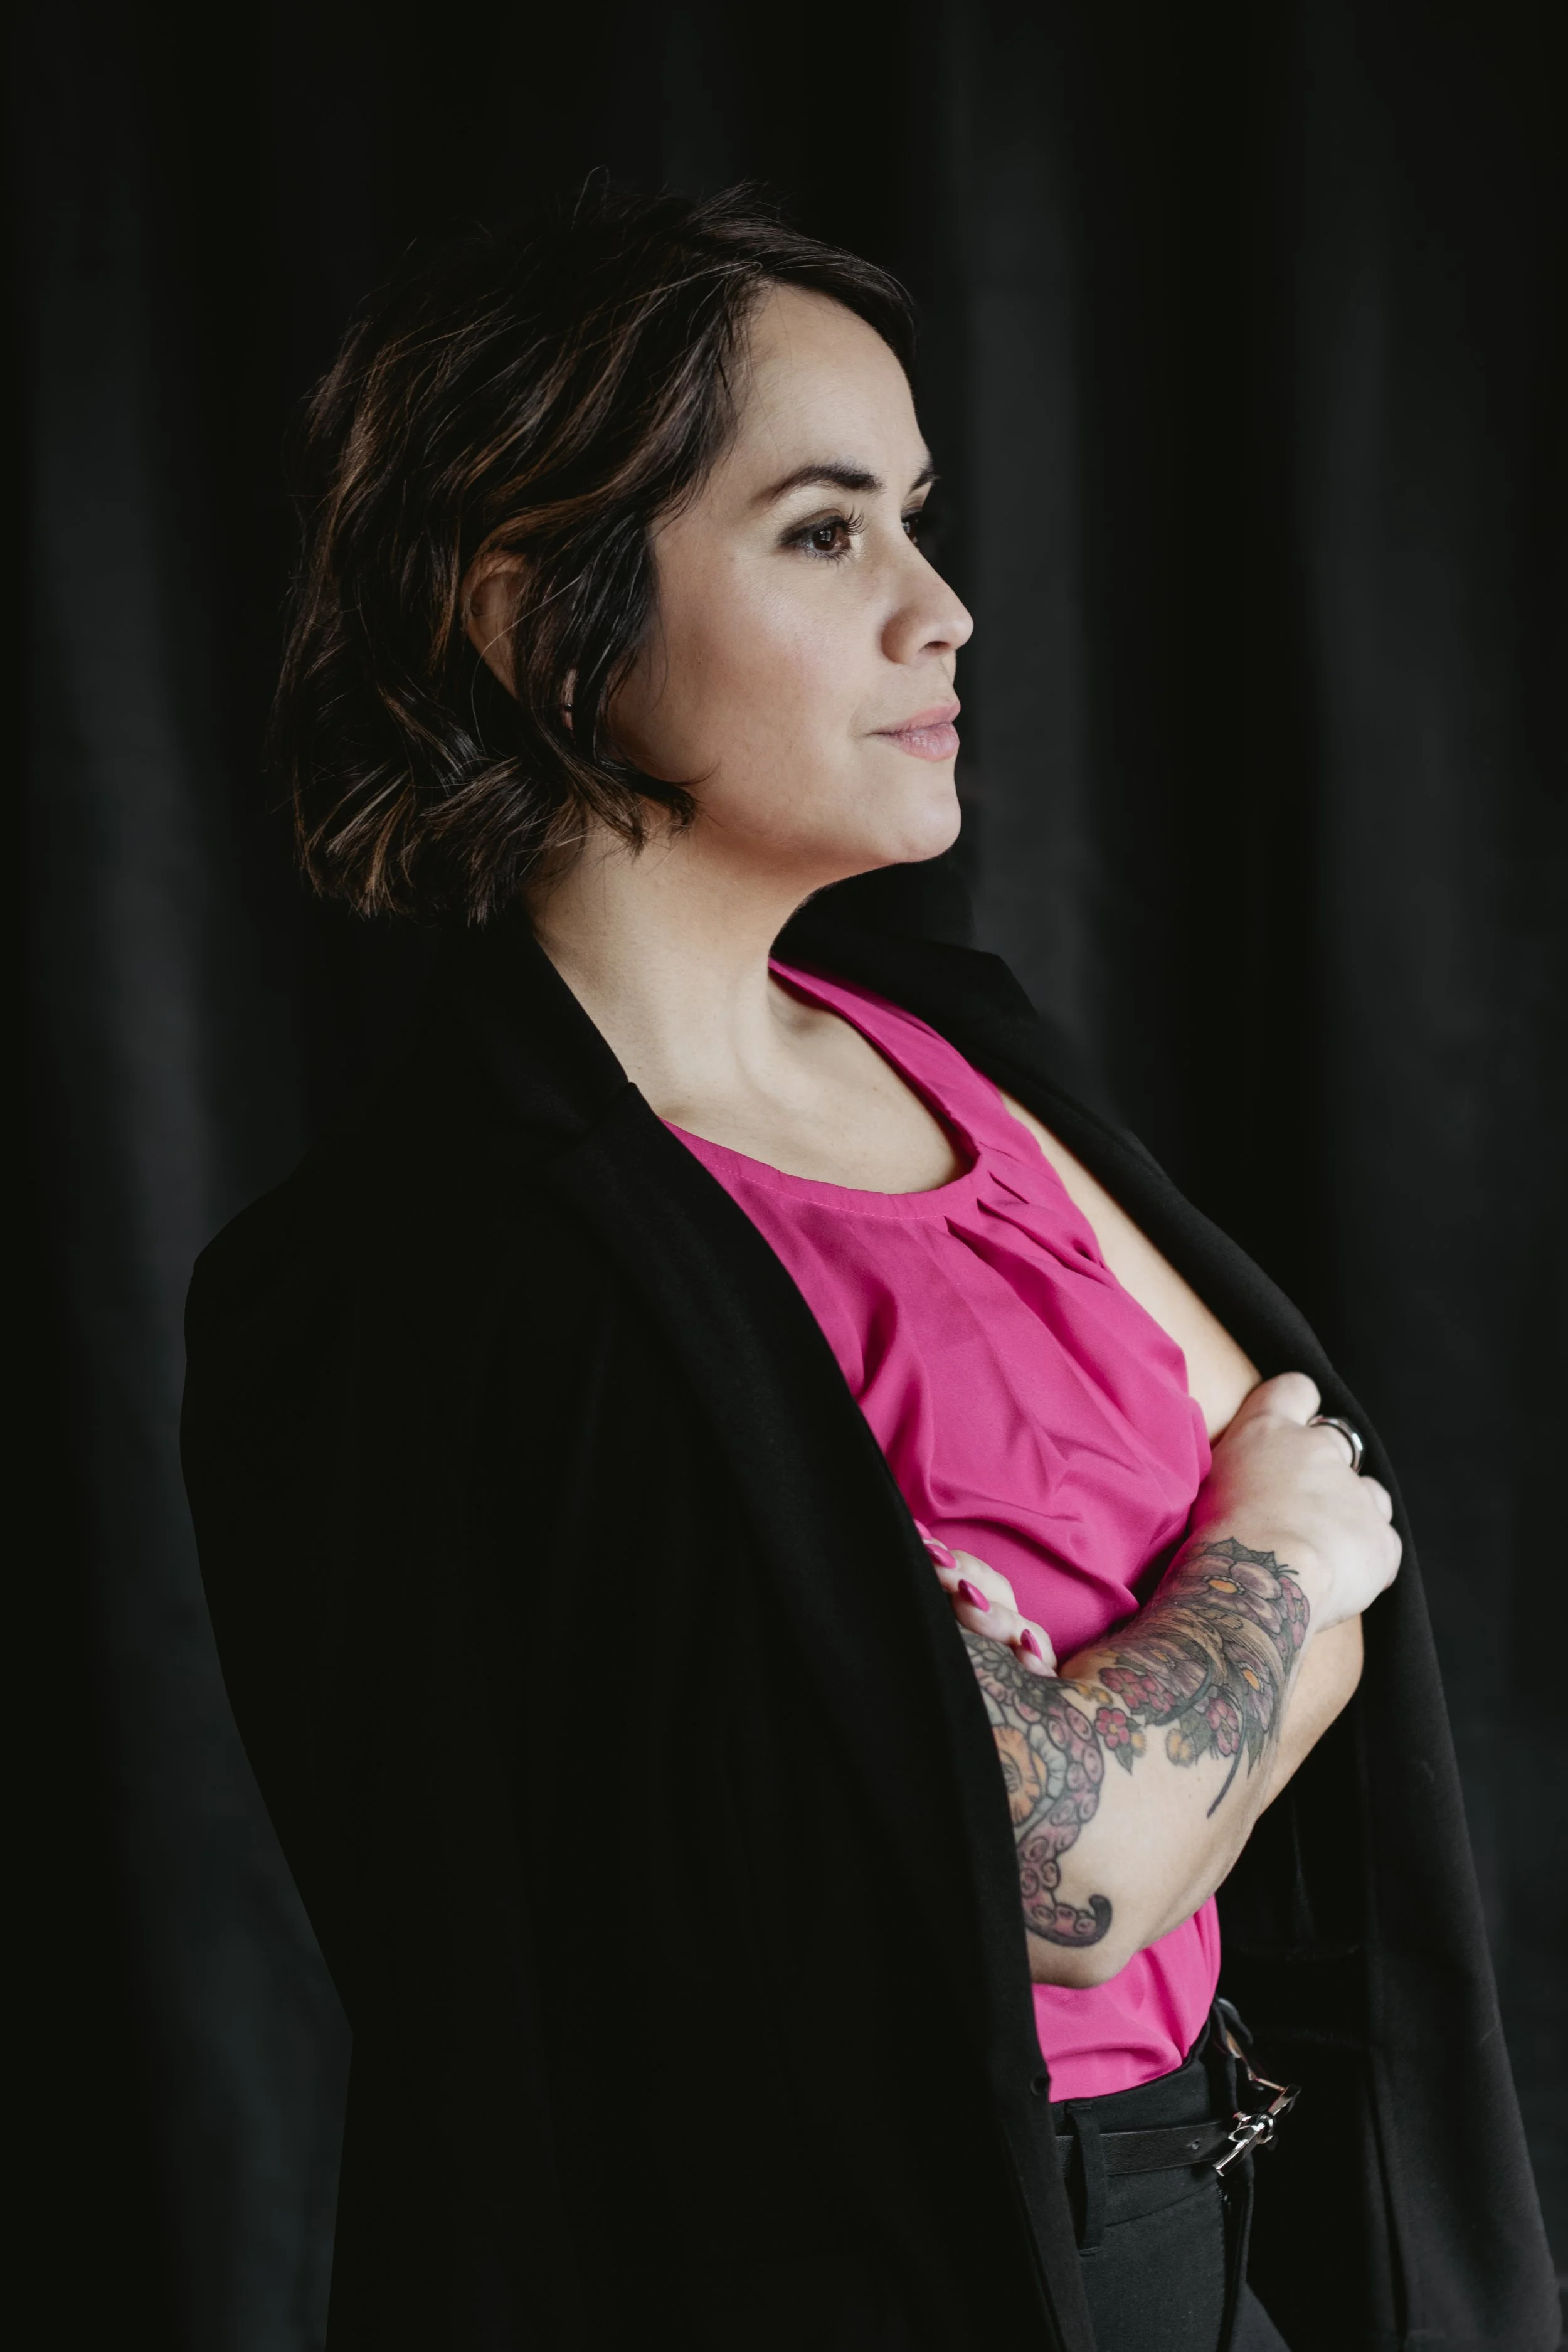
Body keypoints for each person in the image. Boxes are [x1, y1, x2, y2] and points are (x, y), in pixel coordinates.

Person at [181, 186, 1555, 2351]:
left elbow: (1205, 1677)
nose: (945, 610)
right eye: (824, 532)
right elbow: (1071, 1870)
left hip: (1220, 2218)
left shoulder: (962, 1045)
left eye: (915, 518)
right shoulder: (447, 1266)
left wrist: (1127, 1690)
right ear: (536, 610)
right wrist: (1265, 1563)